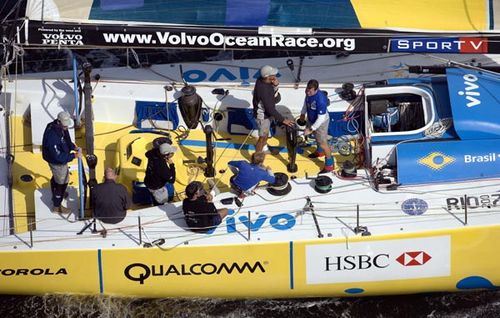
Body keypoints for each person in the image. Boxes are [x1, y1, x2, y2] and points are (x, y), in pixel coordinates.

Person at [42, 111, 82, 213]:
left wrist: (73, 147)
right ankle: (57, 205)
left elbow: (66, 138)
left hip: (60, 159)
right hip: (57, 162)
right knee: (62, 182)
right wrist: (73, 156)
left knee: (57, 178)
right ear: (59, 122)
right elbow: (58, 156)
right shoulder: (52, 136)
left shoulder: (61, 127)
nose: (66, 127)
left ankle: (57, 194)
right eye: (65, 125)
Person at [253, 65, 294, 153]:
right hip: (263, 117)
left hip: (265, 114)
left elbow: (271, 96)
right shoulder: (264, 90)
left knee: (265, 135)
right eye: (273, 75)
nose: (275, 76)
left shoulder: (261, 80)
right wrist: (283, 120)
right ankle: (257, 157)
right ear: (267, 76)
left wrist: (275, 86)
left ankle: (264, 149)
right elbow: (270, 109)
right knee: (262, 137)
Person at [299, 79, 335, 173]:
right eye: (307, 90)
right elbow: (306, 103)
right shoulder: (308, 92)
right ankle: (319, 152)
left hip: (321, 122)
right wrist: (302, 114)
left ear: (316, 89)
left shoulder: (321, 100)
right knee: (316, 137)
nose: (308, 92)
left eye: (310, 91)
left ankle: (329, 165)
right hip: (312, 118)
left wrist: (311, 129)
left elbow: (321, 118)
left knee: (323, 143)